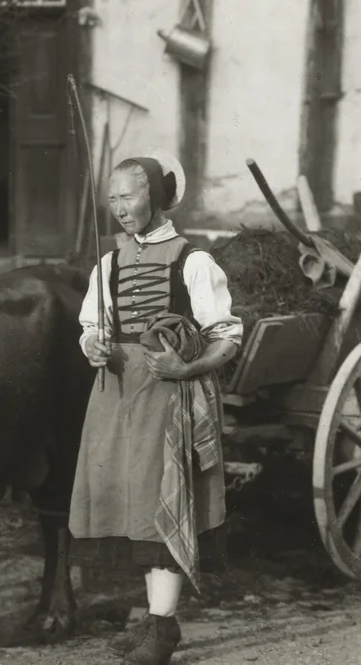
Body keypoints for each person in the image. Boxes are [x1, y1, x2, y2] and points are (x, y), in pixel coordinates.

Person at [68, 151, 243, 665]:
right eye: (113, 200)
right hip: (114, 398)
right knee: (130, 504)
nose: (120, 209)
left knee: (158, 499)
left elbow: (228, 334)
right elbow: (90, 325)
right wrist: (94, 345)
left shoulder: (194, 262)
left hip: (168, 396)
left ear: (158, 196)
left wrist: (186, 370)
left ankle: (162, 628)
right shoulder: (110, 262)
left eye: (130, 196)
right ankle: (154, 619)